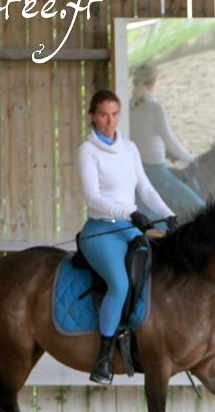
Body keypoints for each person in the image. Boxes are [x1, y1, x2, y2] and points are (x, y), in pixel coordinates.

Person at [77, 89, 179, 385]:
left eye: (115, 114)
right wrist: (129, 214)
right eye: (104, 115)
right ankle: (104, 358)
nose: (110, 121)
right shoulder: (88, 151)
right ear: (93, 117)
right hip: (101, 230)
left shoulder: (130, 149)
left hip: (128, 229)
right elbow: (93, 197)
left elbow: (145, 189)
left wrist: (169, 215)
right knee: (119, 283)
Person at [129, 64, 205, 219]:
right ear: (154, 82)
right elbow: (170, 141)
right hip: (155, 171)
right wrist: (190, 158)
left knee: (152, 217)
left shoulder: (128, 106)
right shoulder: (155, 108)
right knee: (199, 207)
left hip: (134, 168)